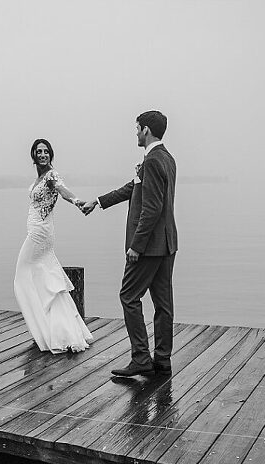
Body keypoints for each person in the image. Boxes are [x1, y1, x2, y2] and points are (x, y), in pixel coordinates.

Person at [81, 111, 177, 376]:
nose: (135, 133)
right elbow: (133, 189)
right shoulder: (166, 159)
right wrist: (98, 202)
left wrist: (136, 245)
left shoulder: (154, 161)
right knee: (163, 303)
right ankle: (162, 359)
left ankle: (141, 359)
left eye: (136, 128)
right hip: (167, 244)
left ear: (146, 130)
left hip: (148, 246)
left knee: (128, 296)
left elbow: (152, 208)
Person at [14, 138, 93, 353]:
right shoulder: (39, 177)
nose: (42, 154)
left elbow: (62, 189)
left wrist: (78, 202)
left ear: (51, 154)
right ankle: (53, 329)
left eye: (46, 151)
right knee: (44, 278)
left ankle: (43, 327)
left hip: (41, 233)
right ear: (33, 154)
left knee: (22, 276)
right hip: (37, 231)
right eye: (39, 151)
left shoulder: (51, 175)